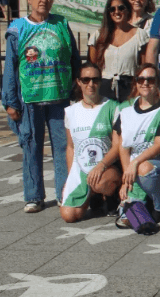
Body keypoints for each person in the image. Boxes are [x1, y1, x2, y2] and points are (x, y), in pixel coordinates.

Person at [2, 0, 81, 212]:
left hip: (59, 97)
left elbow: (74, 57)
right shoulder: (17, 29)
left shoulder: (61, 24)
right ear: (29, 0)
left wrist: (77, 83)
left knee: (63, 146)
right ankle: (33, 196)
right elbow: (10, 67)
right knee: (31, 145)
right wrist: (10, 102)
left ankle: (63, 192)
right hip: (29, 99)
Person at [115, 63, 160, 227]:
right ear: (136, 82)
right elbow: (123, 146)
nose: (145, 83)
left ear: (157, 82)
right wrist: (126, 178)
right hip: (135, 169)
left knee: (144, 168)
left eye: (150, 79)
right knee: (130, 219)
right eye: (141, 79)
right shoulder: (126, 109)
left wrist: (135, 163)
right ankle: (147, 201)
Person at [60, 63, 122, 222]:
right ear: (79, 82)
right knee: (69, 216)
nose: (91, 84)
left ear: (100, 82)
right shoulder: (71, 111)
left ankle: (111, 197)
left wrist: (101, 166)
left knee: (99, 183)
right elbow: (70, 147)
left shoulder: (112, 107)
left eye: (95, 80)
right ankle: (93, 197)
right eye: (86, 80)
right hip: (82, 170)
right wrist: (70, 177)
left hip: (105, 168)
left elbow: (117, 146)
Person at [88, 0, 149, 101]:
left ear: (128, 10)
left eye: (121, 8)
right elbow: (92, 68)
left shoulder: (140, 35)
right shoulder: (98, 36)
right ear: (108, 12)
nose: (117, 12)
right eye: (112, 9)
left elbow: (144, 67)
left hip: (130, 90)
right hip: (104, 91)